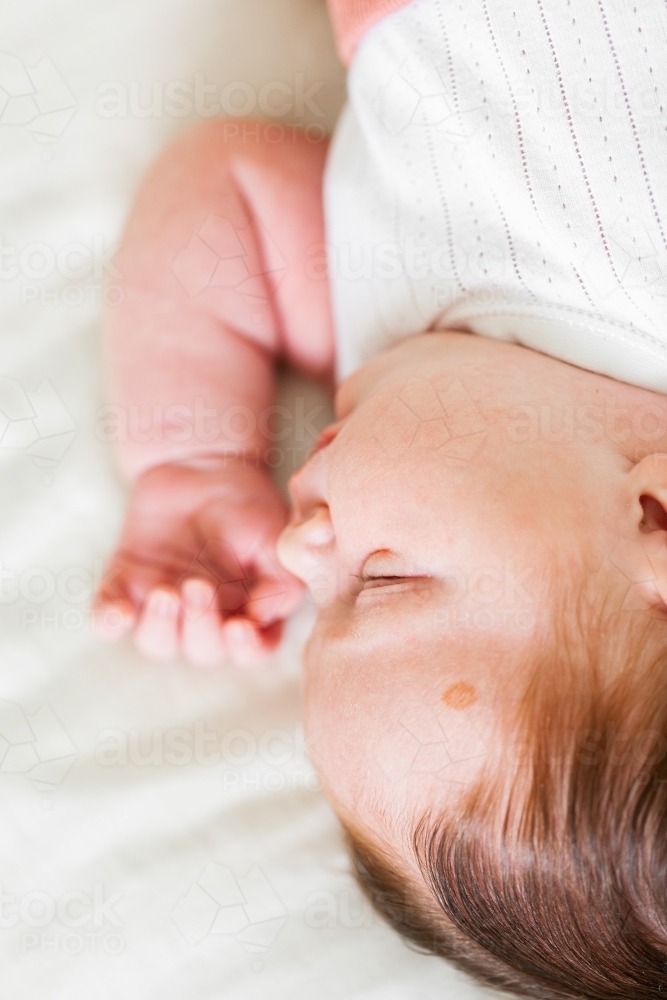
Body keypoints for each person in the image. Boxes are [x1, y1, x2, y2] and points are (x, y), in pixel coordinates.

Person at [93, 1, 667, 994]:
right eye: (385, 580)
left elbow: (228, 182)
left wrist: (192, 467)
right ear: (651, 516)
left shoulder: (404, 378)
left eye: (321, 608)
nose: (298, 549)